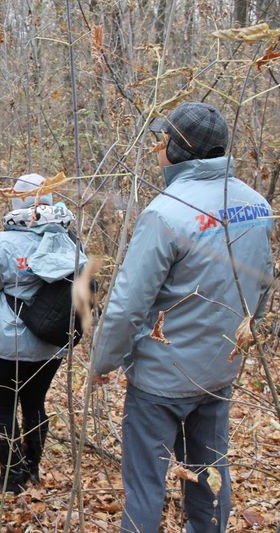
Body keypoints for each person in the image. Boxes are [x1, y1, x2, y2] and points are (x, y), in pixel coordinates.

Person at [92, 102, 274, 532]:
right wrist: (243, 344)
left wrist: (103, 361)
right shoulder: (256, 204)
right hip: (219, 370)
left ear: (178, 150)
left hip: (161, 380)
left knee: (145, 486)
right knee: (210, 477)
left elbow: (127, 304)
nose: (158, 149)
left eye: (163, 141)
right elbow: (263, 286)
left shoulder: (165, 212)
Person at [0, 174, 85, 494]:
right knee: (35, 404)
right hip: (51, 341)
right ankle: (32, 469)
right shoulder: (69, 240)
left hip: (8, 342)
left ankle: (11, 479)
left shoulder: (6, 242)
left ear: (17, 202)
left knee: (4, 408)